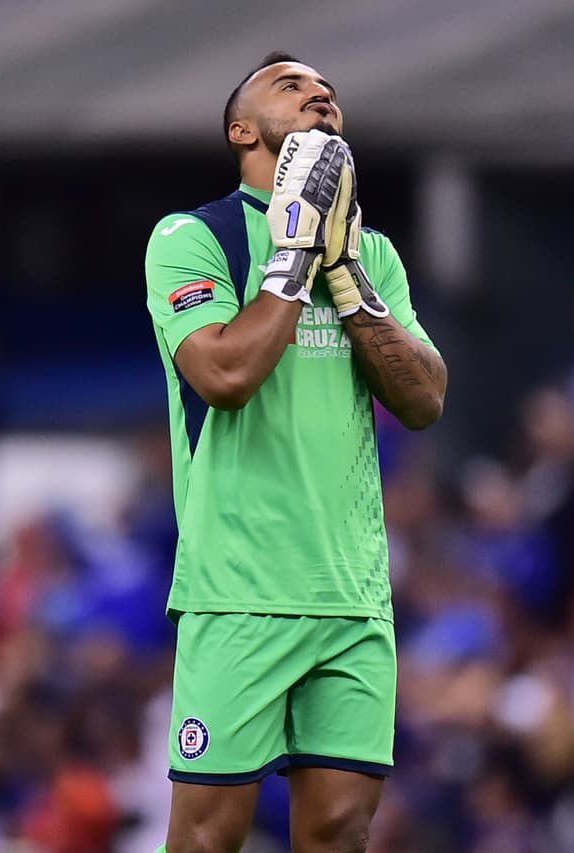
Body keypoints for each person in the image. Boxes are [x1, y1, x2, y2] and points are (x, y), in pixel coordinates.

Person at [143, 51, 447, 853]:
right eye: (292, 86)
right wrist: (294, 256)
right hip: (239, 591)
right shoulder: (191, 237)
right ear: (241, 128)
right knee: (209, 838)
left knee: (340, 833)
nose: (320, 97)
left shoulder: (372, 253)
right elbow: (225, 374)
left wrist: (344, 273)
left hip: (353, 598)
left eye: (330, 94)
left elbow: (423, 399)